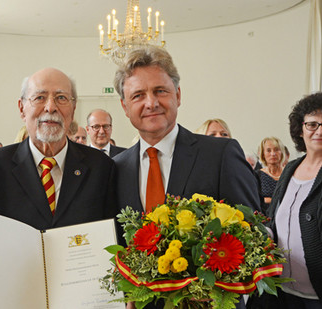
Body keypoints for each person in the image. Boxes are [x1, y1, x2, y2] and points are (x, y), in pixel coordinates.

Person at [112, 46, 259, 309]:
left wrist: (219, 287)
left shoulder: (220, 154)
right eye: (138, 95)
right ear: (125, 106)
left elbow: (255, 232)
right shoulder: (116, 168)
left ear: (178, 95)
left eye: (160, 91)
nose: (151, 103)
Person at [0, 67, 118, 307]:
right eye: (39, 97)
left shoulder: (102, 167)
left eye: (61, 97)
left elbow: (114, 242)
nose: (50, 107)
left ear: (73, 108)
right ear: (21, 108)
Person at [265, 92, 322, 308]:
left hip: (316, 296)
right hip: (280, 290)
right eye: (312, 124)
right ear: (300, 129)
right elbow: (274, 218)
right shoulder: (290, 169)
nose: (319, 131)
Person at [257, 137, 286, 210]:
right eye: (268, 150)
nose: (273, 154)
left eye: (276, 150)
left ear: (281, 152)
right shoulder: (257, 175)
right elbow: (256, 200)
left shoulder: (289, 173)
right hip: (265, 217)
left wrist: (268, 199)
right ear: (263, 154)